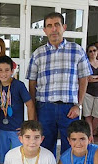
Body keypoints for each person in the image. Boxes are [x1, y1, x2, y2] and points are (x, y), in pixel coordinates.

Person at [26, 12, 92, 156]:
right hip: (45, 108)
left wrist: (78, 105)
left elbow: (84, 79)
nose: (53, 29)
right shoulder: (38, 54)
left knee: (70, 148)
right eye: (49, 26)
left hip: (69, 109)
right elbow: (32, 83)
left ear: (64, 27)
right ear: (45, 30)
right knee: (44, 148)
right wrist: (34, 110)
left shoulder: (77, 50)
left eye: (57, 25)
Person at [0, 55, 35, 164]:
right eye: (0, 70)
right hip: (1, 129)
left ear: (12, 71)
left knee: (18, 158)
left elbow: (30, 105)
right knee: (2, 158)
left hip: (16, 130)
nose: (3, 73)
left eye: (7, 70)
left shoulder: (18, 85)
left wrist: (28, 127)